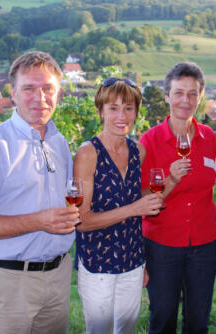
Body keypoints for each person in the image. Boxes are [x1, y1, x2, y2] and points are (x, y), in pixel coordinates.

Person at [0, 51, 80, 334]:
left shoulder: (60, 143)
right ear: (13, 94)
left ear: (58, 93)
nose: (40, 97)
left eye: (48, 89)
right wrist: (39, 220)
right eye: (29, 89)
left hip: (58, 278)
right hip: (10, 282)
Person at [73, 77, 163, 334]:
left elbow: (134, 196)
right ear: (100, 111)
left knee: (126, 330)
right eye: (113, 108)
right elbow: (82, 221)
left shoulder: (138, 152)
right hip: (98, 263)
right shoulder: (88, 154)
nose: (122, 115)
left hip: (133, 261)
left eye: (129, 108)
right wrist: (135, 209)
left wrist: (171, 181)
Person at [140, 62, 216, 334]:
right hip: (162, 244)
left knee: (198, 319)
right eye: (178, 93)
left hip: (205, 242)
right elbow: (143, 200)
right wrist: (171, 180)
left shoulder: (209, 137)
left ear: (200, 97)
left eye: (192, 94)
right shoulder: (149, 141)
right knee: (162, 317)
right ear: (167, 96)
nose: (185, 101)